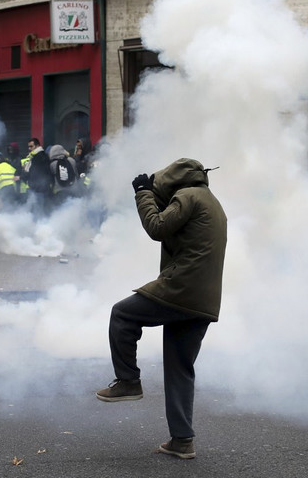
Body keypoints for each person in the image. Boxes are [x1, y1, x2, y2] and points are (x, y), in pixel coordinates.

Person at [97, 159, 227, 461]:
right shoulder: (211, 201)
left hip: (181, 290)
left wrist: (142, 192)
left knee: (122, 314)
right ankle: (182, 441)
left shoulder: (188, 196)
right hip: (203, 301)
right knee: (180, 367)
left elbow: (157, 227)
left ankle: (128, 381)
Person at [22, 138, 53, 215]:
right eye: (28, 147)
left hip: (38, 189)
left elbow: (34, 173)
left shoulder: (37, 157)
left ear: (37, 146)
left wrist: (22, 177)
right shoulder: (42, 156)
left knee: (38, 213)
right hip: (42, 189)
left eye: (31, 146)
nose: (29, 149)